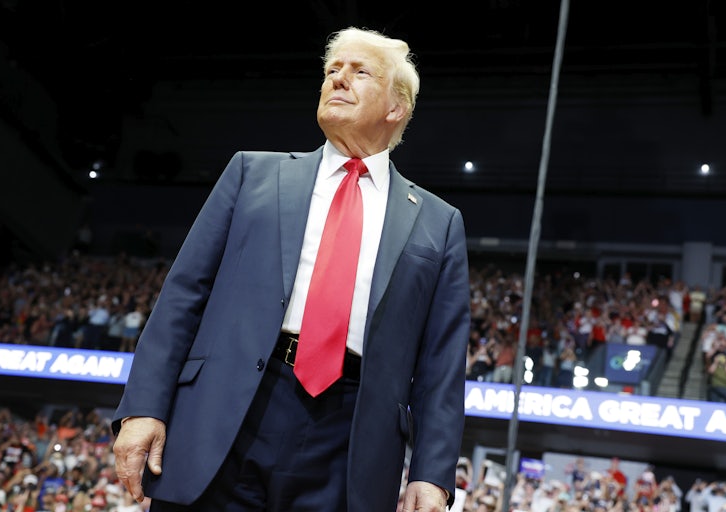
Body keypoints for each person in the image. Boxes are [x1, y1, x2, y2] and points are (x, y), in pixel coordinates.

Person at [111, 26, 471, 512]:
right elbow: (183, 295)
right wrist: (143, 407)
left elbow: (441, 363)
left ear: (396, 108)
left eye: (359, 71)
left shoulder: (438, 223)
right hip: (226, 412)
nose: (337, 78)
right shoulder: (251, 174)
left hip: (349, 440)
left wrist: (432, 473)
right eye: (332, 69)